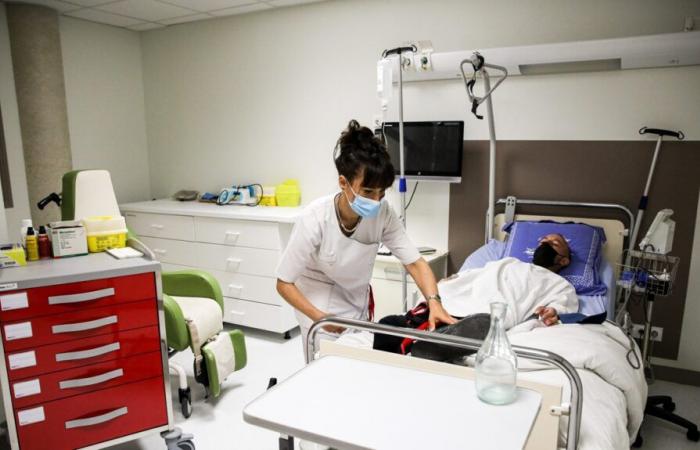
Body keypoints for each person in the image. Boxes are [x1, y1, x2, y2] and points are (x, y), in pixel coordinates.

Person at [276, 120, 456, 354]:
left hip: (355, 305)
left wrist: (434, 301)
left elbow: (415, 262)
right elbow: (283, 283)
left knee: (357, 365)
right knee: (325, 369)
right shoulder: (315, 218)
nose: (375, 201)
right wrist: (320, 317)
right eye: (368, 192)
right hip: (317, 306)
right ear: (344, 182)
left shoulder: (383, 214)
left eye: (381, 193)